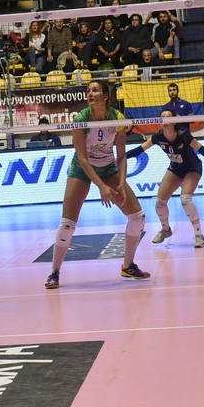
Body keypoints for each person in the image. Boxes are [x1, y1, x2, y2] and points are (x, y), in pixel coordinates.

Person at [44, 80, 151, 290]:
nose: (90, 94)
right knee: (67, 224)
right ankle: (54, 273)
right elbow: (83, 159)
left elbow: (121, 155)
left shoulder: (117, 118)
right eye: (88, 91)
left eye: (95, 90)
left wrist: (121, 181)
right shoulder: (81, 120)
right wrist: (101, 186)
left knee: (137, 217)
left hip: (108, 168)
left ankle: (128, 266)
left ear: (105, 96)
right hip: (81, 170)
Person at [127, 110, 204, 249]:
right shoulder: (158, 137)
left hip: (192, 168)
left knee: (185, 199)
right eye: (162, 117)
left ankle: (199, 235)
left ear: (174, 121)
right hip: (176, 168)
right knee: (159, 203)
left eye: (168, 117)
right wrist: (121, 157)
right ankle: (166, 230)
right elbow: (139, 150)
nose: (165, 119)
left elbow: (202, 149)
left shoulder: (183, 135)